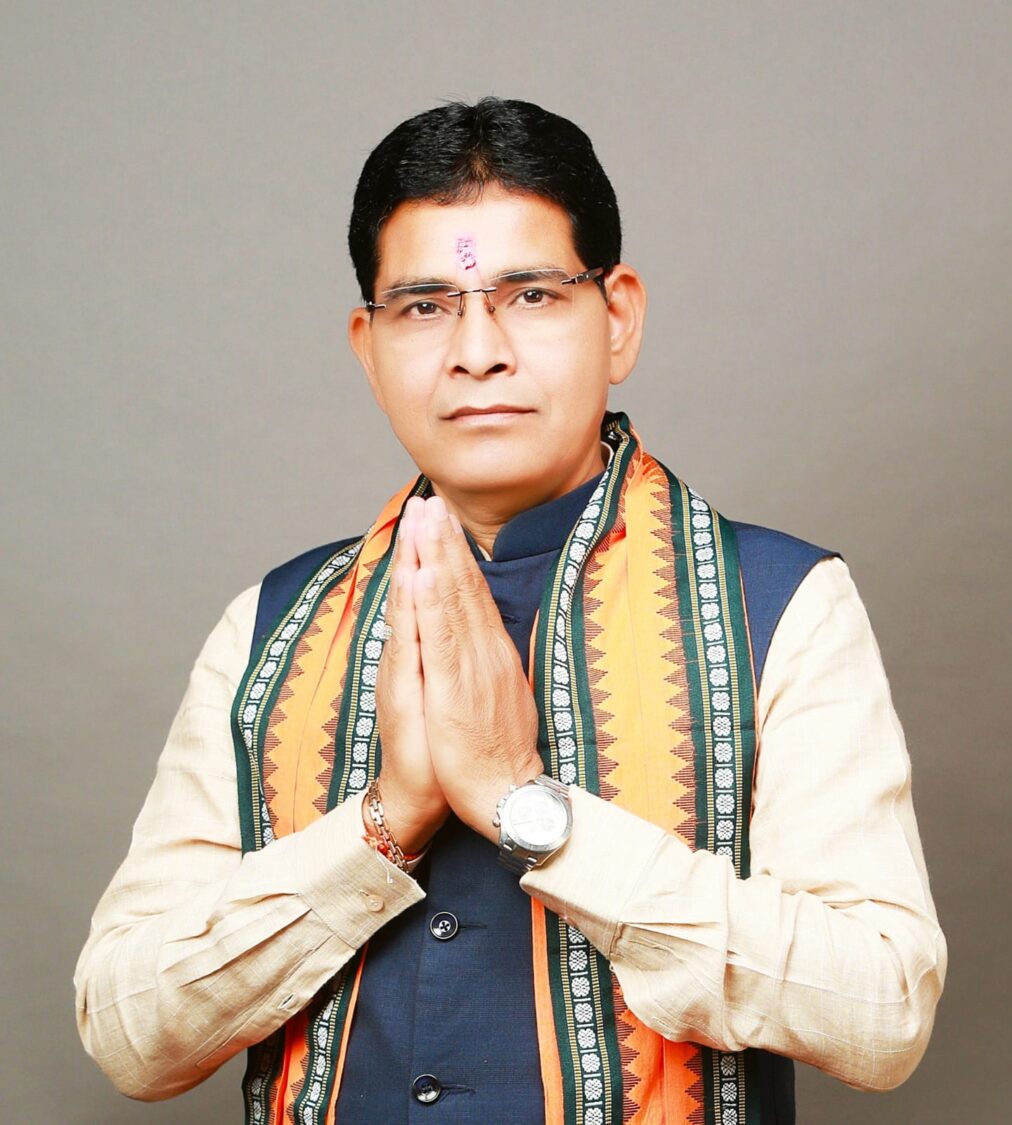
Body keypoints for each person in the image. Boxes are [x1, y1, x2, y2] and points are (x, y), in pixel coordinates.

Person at [75, 98, 946, 1125]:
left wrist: (526, 808)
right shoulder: (269, 628)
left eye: (530, 295)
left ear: (616, 318)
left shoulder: (781, 604)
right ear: (367, 347)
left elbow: (881, 1011)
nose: (477, 351)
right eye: (424, 306)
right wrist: (382, 824)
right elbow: (129, 1035)